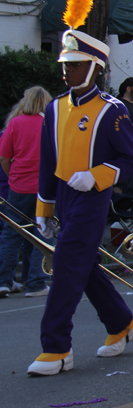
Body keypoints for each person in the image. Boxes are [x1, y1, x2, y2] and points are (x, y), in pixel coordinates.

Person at [28, 0, 133, 376]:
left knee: (65, 265)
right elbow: (49, 161)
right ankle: (122, 323)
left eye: (76, 64)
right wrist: (44, 208)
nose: (67, 70)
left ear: (95, 67)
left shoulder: (111, 111)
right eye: (65, 64)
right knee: (83, 265)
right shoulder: (53, 108)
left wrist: (95, 176)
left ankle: (56, 346)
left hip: (92, 197)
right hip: (63, 194)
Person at [0, 86, 53, 297]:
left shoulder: (15, 123)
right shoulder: (50, 124)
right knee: (42, 234)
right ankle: (36, 282)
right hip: (44, 188)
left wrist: (12, 175)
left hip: (19, 186)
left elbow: (4, 157)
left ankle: (4, 280)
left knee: (11, 234)